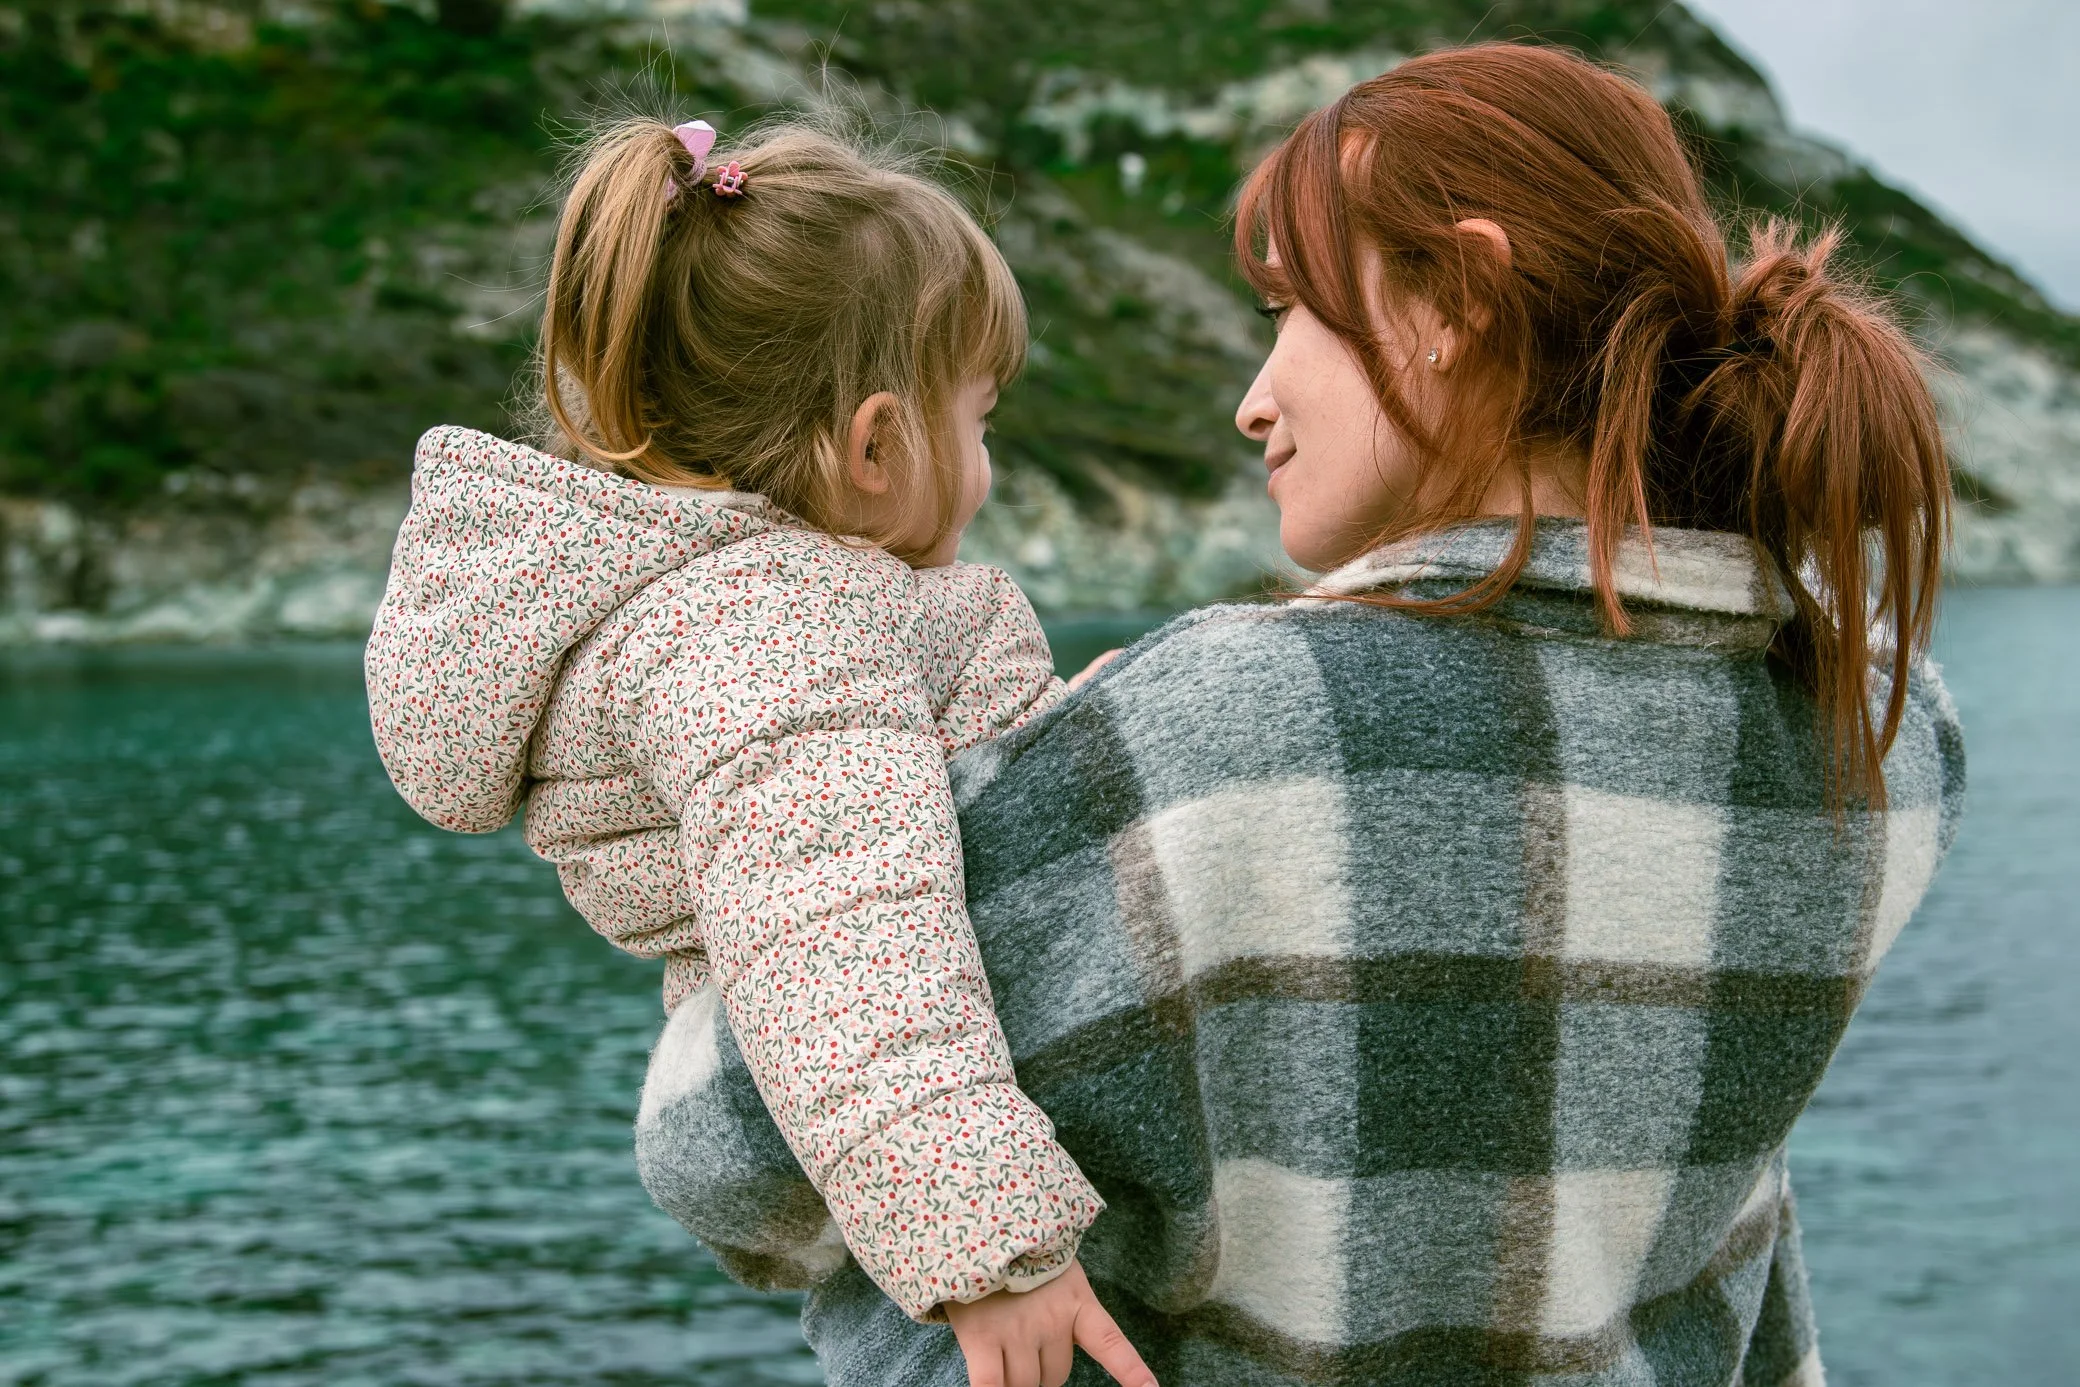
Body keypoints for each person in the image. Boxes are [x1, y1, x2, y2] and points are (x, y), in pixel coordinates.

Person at [638, 42, 1965, 1387]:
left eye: (1292, 311)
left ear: (1455, 296)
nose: (1251, 399)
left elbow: (728, 1153)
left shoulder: (1229, 726)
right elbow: (1744, 1252)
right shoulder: (1881, 743)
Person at [361, 117, 1155, 1387]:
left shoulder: (750, 620)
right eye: (984, 418)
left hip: (904, 1201)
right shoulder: (770, 630)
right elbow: (838, 923)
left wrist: (1070, 738)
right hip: (978, 1280)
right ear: (878, 444)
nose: (989, 467)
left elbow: (903, 803)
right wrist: (991, 1248)